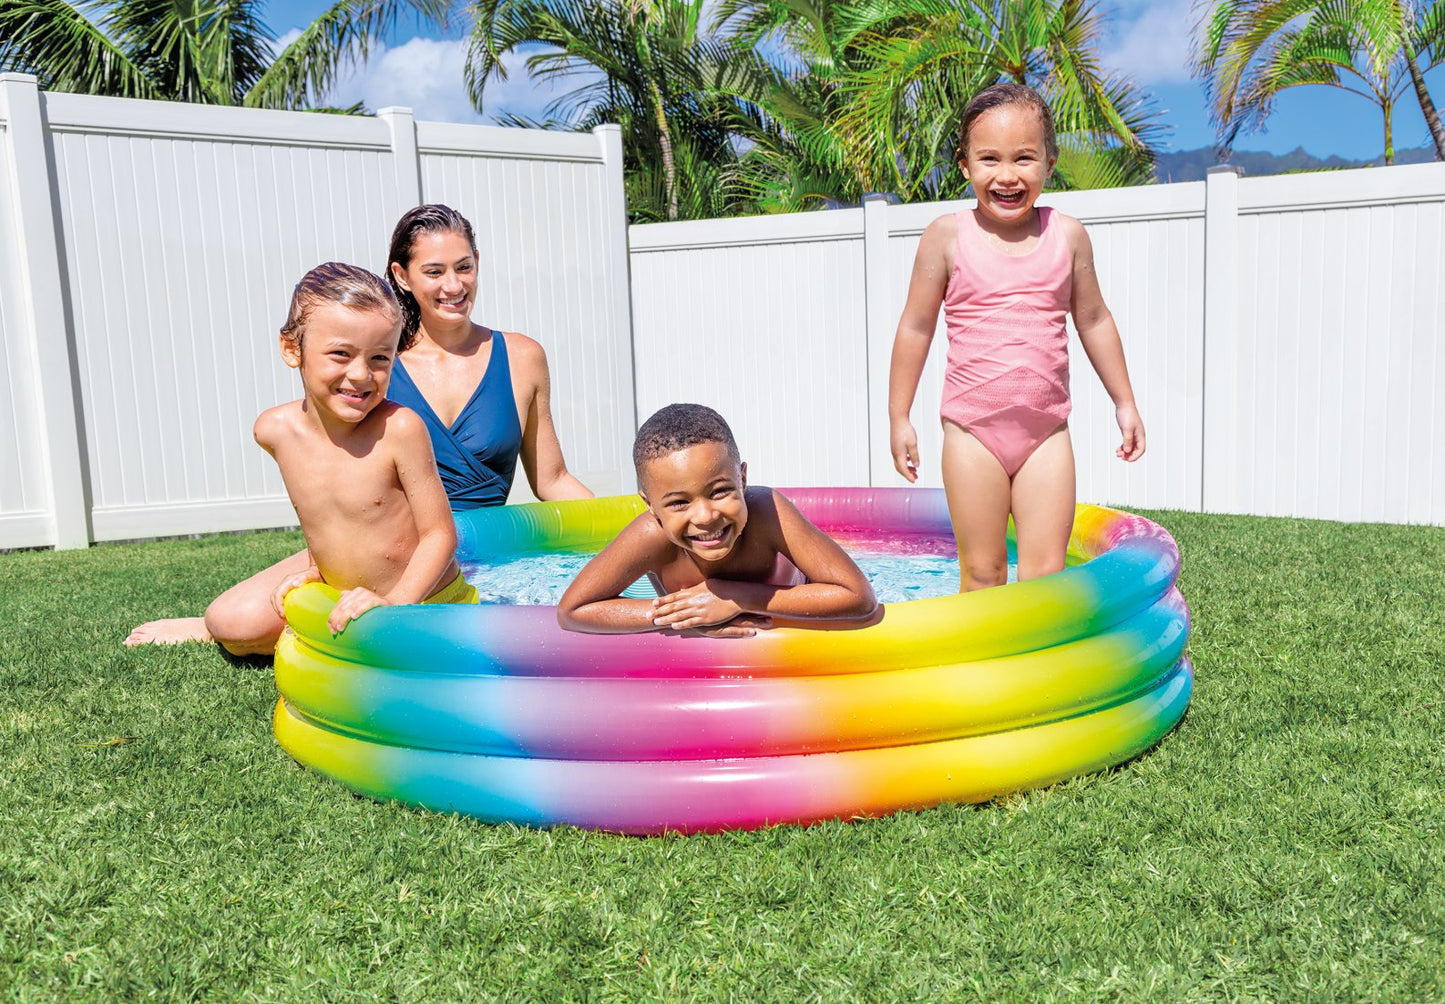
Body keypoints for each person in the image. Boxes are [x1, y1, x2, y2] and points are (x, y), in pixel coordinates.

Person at [125, 204, 591, 652]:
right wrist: (323, 567)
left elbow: (551, 479)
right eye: (434, 271)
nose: (453, 285)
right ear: (401, 277)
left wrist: (629, 526)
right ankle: (224, 626)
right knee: (233, 619)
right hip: (380, 544)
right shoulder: (372, 363)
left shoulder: (520, 357)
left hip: (465, 545)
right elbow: (329, 473)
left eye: (464, 267)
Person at [887, 83, 1146, 593]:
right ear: (964, 165)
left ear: (1049, 162)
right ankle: (975, 672)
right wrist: (900, 416)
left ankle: (1040, 672)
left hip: (1045, 434)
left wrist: (1125, 402)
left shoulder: (1066, 235)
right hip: (971, 432)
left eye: (1024, 158)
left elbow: (1093, 319)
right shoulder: (947, 235)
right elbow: (915, 326)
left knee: (1046, 575)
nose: (1006, 176)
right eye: (989, 159)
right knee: (983, 572)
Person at [257, 262, 475, 635]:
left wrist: (397, 600)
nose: (360, 374)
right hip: (356, 604)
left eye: (379, 358)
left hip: (432, 606)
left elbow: (441, 534)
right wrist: (316, 569)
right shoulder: (275, 431)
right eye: (341, 354)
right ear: (292, 349)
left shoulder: (399, 429)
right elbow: (326, 516)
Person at [557, 403, 877, 637]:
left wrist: (735, 597)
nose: (706, 516)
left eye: (720, 491)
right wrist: (688, 615)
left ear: (743, 480)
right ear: (651, 506)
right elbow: (573, 611)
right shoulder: (649, 536)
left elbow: (859, 598)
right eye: (679, 503)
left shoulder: (767, 512)